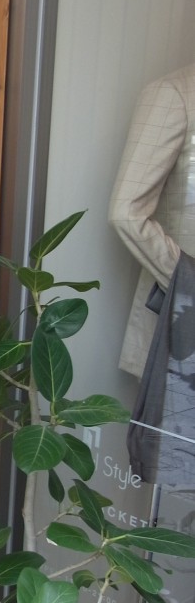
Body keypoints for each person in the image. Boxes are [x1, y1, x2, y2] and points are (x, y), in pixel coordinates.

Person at [109, 62, 195, 378]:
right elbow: (127, 212)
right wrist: (188, 282)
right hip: (184, 323)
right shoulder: (174, 94)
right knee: (178, 408)